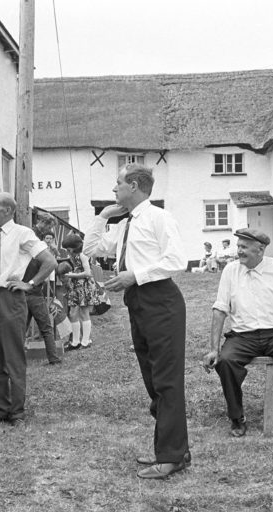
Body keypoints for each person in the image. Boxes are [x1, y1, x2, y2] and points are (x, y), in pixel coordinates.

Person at [84, 163, 190, 480]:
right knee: (153, 380)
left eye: (118, 183)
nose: (114, 189)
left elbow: (177, 260)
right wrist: (103, 216)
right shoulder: (125, 223)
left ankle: (171, 456)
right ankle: (172, 449)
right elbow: (91, 248)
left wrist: (134, 275)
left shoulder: (159, 217)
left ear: (133, 185)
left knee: (167, 380)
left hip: (162, 302)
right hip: (138, 303)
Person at [202, 228, 273, 436]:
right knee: (226, 362)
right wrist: (213, 349)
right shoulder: (230, 270)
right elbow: (219, 310)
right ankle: (237, 416)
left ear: (260, 249)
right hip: (242, 336)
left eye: (244, 247)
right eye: (238, 246)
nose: (239, 251)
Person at [0, 192, 57, 426]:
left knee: (13, 356)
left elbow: (50, 262)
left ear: (8, 210)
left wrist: (29, 284)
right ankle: (0, 409)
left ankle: (17, 412)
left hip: (10, 298)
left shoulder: (23, 233)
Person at [61, 233, 101, 350]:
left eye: (68, 248)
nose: (67, 251)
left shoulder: (83, 255)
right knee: (73, 313)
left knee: (84, 313)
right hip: (75, 286)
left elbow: (88, 273)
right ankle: (75, 341)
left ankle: (86, 341)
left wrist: (71, 275)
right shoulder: (73, 256)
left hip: (84, 286)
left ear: (74, 247)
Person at [22, 250, 62, 366]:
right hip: (36, 296)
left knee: (21, 331)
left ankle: (19, 360)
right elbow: (44, 278)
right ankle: (54, 359)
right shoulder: (40, 260)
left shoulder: (20, 260)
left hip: (22, 296)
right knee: (46, 329)